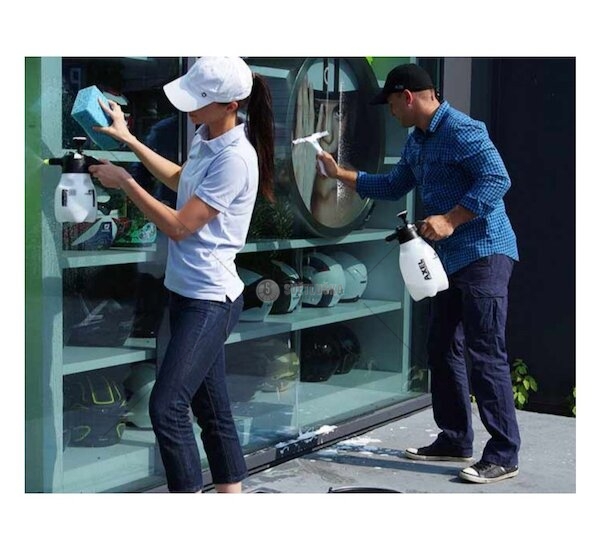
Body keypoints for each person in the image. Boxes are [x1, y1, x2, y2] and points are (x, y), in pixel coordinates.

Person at [317, 63, 521, 484]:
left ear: (407, 97)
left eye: (392, 103)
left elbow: (497, 179)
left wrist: (450, 219)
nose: (391, 112)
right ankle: (455, 438)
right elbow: (394, 185)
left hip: (485, 253)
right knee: (441, 347)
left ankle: (504, 453)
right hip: (449, 261)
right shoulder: (418, 141)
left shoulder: (464, 130)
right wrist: (339, 174)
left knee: (485, 353)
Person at [88, 56, 275, 493]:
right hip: (186, 294)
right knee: (212, 409)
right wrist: (128, 140)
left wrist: (125, 182)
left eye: (198, 100)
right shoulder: (205, 138)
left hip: (209, 301)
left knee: (167, 407)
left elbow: (179, 226)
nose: (188, 108)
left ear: (230, 105)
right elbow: (180, 180)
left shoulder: (236, 159)